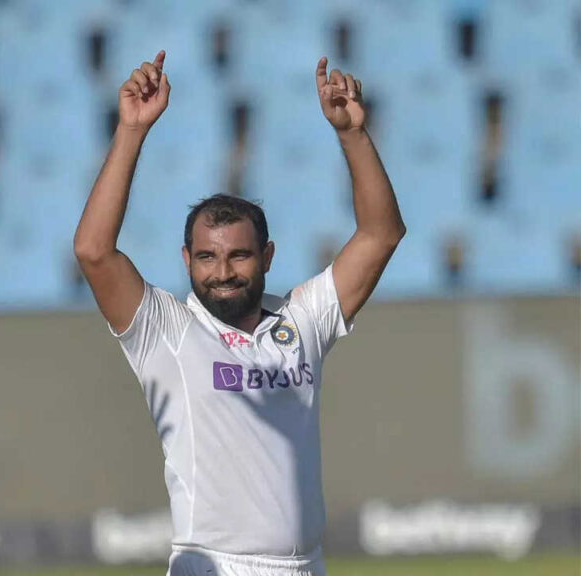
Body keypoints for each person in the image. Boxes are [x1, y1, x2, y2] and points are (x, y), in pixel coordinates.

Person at [73, 52, 405, 576]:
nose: (222, 271)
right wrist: (132, 130)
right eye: (206, 256)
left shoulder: (302, 321)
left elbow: (381, 234)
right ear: (186, 260)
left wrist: (353, 135)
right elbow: (94, 251)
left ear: (267, 257)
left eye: (239, 255)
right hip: (214, 566)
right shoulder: (167, 332)